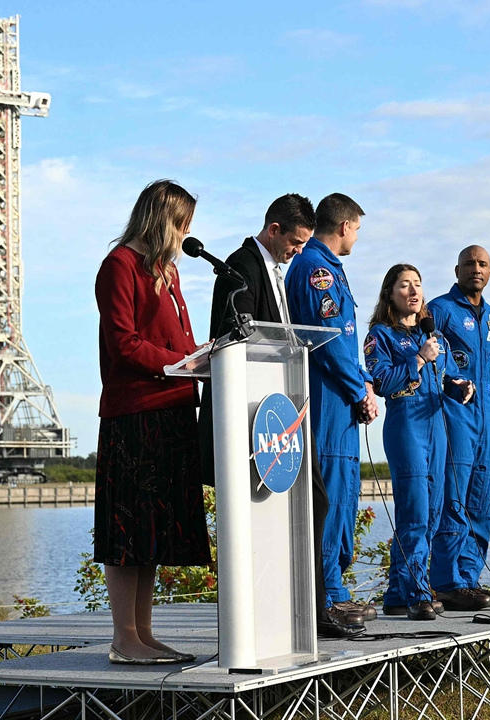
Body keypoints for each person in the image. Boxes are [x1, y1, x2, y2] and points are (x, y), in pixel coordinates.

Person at [197, 194, 363, 637]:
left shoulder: (274, 269)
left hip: (278, 414)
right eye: (294, 241)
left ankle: (306, 610)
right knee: (313, 502)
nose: (297, 251)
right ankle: (308, 608)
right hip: (254, 417)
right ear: (274, 231)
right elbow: (236, 338)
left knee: (317, 501)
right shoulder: (241, 268)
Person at [93, 179, 212, 664]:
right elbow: (123, 342)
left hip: (174, 410)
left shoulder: (168, 272)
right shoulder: (119, 266)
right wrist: (177, 363)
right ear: (162, 220)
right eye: (182, 224)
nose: (186, 235)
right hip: (135, 414)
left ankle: (143, 633)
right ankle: (124, 637)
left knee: (153, 532)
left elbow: (174, 339)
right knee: (129, 531)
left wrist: (202, 358)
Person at [285, 193, 380, 622]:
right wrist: (360, 388)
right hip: (325, 399)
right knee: (329, 500)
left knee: (343, 499)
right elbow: (329, 339)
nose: (357, 237)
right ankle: (324, 599)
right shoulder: (316, 270)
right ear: (344, 226)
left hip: (340, 401)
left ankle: (335, 590)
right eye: (357, 229)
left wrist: (360, 385)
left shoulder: (326, 268)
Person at [364, 265, 474, 620]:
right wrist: (418, 359)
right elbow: (381, 382)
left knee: (434, 512)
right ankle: (417, 592)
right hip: (406, 424)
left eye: (418, 285)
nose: (413, 291)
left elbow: (439, 379)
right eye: (404, 286)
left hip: (435, 424)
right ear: (390, 294)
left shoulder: (432, 335)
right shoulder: (380, 335)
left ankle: (397, 593)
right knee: (414, 512)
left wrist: (457, 387)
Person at [426, 246, 490, 609]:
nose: (476, 269)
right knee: (454, 497)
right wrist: (450, 381)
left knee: (482, 496)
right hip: (455, 411)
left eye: (483, 264)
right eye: (470, 264)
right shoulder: (440, 310)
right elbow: (428, 358)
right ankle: (446, 580)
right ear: (457, 269)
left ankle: (469, 577)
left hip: (486, 413)